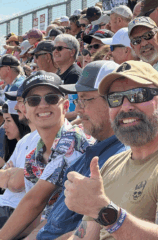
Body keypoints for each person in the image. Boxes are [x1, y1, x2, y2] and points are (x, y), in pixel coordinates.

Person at [64, 61, 158, 240]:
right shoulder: (112, 164)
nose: (126, 106)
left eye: (139, 95)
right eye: (115, 99)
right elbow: (85, 236)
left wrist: (105, 211)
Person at [27, 61, 129, 239]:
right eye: (77, 100)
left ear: (113, 101)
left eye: (84, 99)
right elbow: (50, 223)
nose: (78, 109)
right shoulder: (88, 156)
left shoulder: (120, 159)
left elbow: (83, 234)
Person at [0, 71, 91, 240]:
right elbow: (37, 216)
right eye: (34, 100)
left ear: (64, 106)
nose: (42, 105)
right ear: (25, 111)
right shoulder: (33, 158)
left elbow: (34, 202)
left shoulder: (73, 139)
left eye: (51, 98)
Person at [0, 87, 40, 228]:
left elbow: (17, 183)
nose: (16, 106)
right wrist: (12, 173)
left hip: (14, 212)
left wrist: (10, 174)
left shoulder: (45, 138)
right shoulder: (25, 140)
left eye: (20, 102)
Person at [53, 34, 82, 121]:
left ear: (72, 52)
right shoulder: (58, 73)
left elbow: (73, 111)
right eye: (53, 49)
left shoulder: (75, 74)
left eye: (59, 48)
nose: (55, 51)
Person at [2, 100, 30, 164]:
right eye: (4, 121)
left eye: (8, 120)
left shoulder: (32, 144)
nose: (4, 126)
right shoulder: (14, 147)